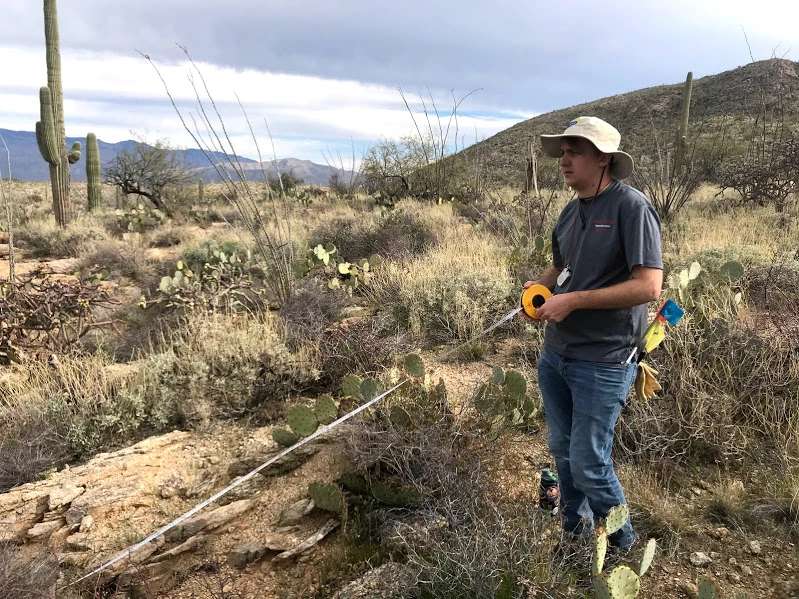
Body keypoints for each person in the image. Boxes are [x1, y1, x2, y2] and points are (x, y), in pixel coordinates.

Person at [523, 116, 663, 553]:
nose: (564, 160)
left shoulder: (631, 207)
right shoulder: (570, 211)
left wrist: (574, 301)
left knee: (589, 462)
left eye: (575, 151)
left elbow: (648, 286)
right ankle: (575, 535)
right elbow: (562, 265)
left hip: (604, 359)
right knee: (564, 455)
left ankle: (625, 548)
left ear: (603, 159)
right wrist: (541, 289)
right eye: (562, 152)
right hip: (557, 355)